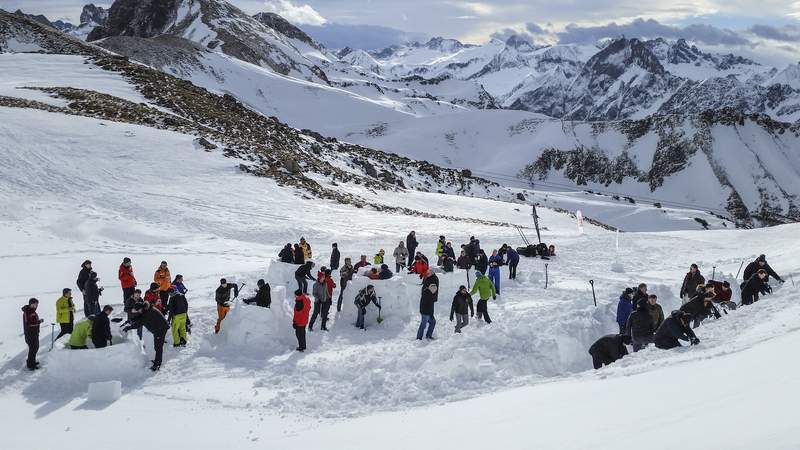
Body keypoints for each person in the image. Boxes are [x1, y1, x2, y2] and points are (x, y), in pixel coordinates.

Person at [124, 301, 169, 371]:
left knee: (158, 347)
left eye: (138, 310)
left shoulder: (148, 313)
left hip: (160, 329)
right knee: (157, 346)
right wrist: (131, 320)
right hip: (159, 328)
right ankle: (157, 361)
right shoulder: (147, 309)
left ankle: (157, 364)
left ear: (141, 308)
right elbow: (140, 317)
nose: (137, 311)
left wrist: (129, 327)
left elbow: (140, 322)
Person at [417, 270, 439, 340]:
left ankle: (427, 336)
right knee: (423, 324)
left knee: (432, 322)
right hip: (426, 311)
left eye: (428, 273)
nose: (427, 274)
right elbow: (429, 305)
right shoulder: (428, 295)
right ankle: (419, 338)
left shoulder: (427, 291)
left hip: (426, 310)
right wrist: (431, 314)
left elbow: (430, 303)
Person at [22, 298, 42, 370]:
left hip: (34, 333)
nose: (36, 305)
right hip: (30, 334)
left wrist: (38, 321)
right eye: (34, 304)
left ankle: (31, 361)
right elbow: (29, 324)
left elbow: (33, 321)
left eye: (37, 304)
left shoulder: (33, 311)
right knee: (33, 349)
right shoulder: (27, 312)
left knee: (35, 348)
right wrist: (38, 322)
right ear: (30, 304)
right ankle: (30, 365)